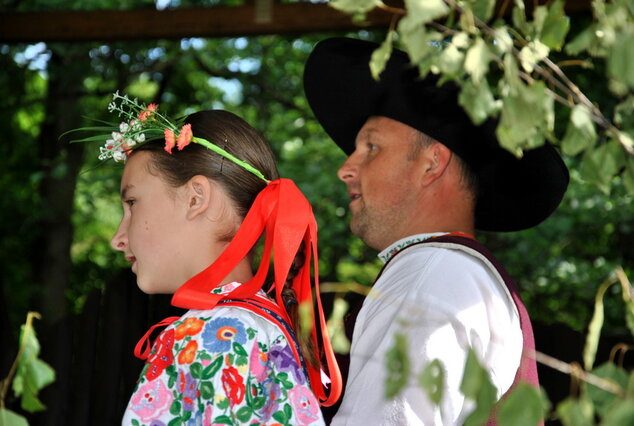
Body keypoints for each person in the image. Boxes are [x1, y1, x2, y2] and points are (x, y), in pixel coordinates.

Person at [303, 37, 569, 425]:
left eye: (371, 147)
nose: (346, 168)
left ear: (431, 164)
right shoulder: (457, 273)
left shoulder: (432, 270)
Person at [82, 94, 341, 425]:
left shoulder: (213, 335)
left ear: (195, 198)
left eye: (132, 202)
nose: (117, 238)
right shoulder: (259, 326)